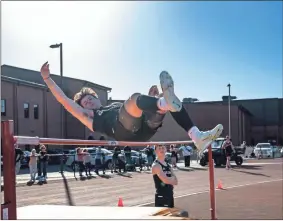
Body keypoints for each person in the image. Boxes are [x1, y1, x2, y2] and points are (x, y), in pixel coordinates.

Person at [40, 62, 223, 150]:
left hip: (144, 130)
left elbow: (135, 112)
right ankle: (161, 102)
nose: (86, 103)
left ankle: (196, 135)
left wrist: (150, 100)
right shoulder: (88, 116)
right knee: (135, 99)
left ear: (96, 98)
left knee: (166, 105)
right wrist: (48, 79)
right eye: (83, 104)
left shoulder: (111, 106)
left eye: (88, 99)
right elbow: (65, 101)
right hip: (123, 132)